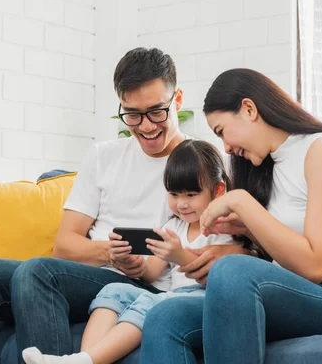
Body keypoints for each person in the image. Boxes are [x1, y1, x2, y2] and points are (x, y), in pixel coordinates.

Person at [0, 48, 248, 364]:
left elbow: (240, 245)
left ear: (177, 100)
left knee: (37, 271)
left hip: (155, 288)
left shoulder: (207, 164)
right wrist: (112, 254)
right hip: (87, 278)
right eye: (132, 114)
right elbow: (64, 246)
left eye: (157, 111)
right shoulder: (103, 156)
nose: (146, 126)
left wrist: (145, 265)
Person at [141, 68, 322, 364]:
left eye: (222, 131)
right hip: (293, 294)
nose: (226, 147)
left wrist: (242, 203)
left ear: (249, 109)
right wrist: (245, 232)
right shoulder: (270, 164)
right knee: (164, 317)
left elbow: (315, 265)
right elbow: (283, 259)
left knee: (232, 271)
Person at [21, 139, 242, 364]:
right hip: (169, 296)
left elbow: (218, 279)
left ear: (218, 190)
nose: (182, 204)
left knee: (153, 304)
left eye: (191, 195)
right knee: (114, 289)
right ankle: (84, 358)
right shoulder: (173, 226)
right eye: (174, 195)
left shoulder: (225, 228)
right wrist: (132, 261)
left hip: (202, 299)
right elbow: (151, 273)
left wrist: (179, 255)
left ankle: (86, 360)